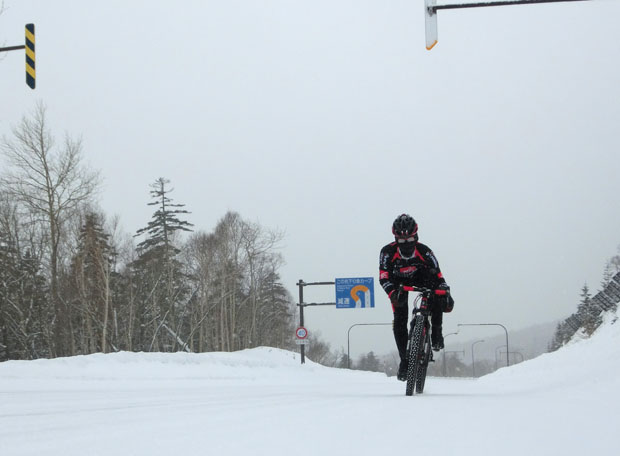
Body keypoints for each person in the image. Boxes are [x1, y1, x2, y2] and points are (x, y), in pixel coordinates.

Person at [379, 214, 454, 381]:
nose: (406, 243)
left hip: (422, 278)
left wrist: (444, 289)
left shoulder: (425, 251)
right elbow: (383, 277)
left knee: (437, 293)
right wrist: (392, 293)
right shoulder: (387, 252)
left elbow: (439, 275)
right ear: (395, 238)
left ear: (416, 236)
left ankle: (436, 332)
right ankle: (405, 361)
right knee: (399, 319)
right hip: (398, 284)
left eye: (410, 239)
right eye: (402, 241)